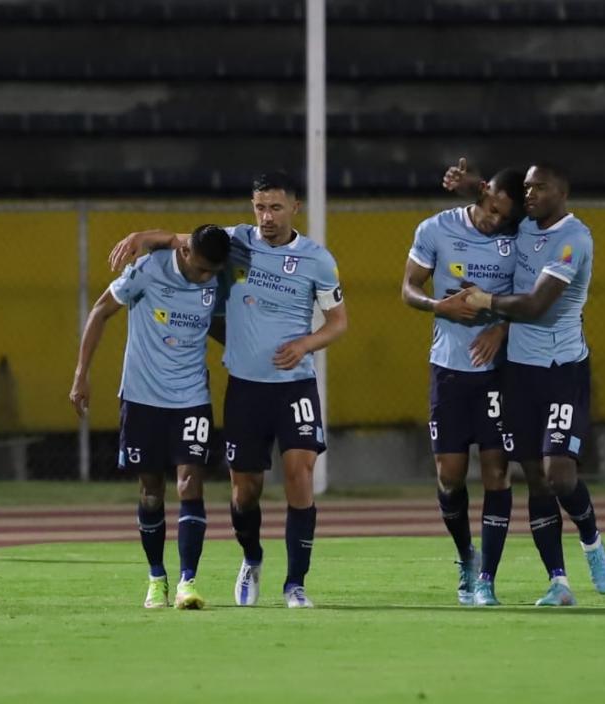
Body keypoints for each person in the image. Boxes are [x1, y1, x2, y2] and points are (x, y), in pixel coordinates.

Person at [109, 172, 348, 609]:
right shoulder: (237, 241)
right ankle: (252, 558)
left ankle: (295, 584)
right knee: (244, 491)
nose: (267, 216)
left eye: (275, 207)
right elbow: (180, 240)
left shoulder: (318, 259)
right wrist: (140, 236)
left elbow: (338, 322)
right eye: (259, 207)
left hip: (295, 386)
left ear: (295, 207)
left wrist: (305, 344)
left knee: (300, 476)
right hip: (246, 388)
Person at [448, 161, 605, 607]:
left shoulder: (574, 239)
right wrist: (473, 187)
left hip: (562, 369)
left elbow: (539, 304)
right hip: (519, 371)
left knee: (560, 474)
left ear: (562, 191)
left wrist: (485, 301)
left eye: (539, 187)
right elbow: (496, 202)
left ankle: (592, 541)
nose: (530, 195)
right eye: (526, 188)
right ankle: (559, 582)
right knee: (536, 480)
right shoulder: (523, 225)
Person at [71, 224, 230, 610]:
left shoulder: (214, 269)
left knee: (190, 482)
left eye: (214, 272)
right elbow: (100, 311)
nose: (208, 278)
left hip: (192, 396)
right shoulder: (148, 269)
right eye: (203, 269)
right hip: (143, 397)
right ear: (188, 254)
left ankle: (187, 583)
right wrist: (81, 374)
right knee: (151, 490)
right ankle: (156, 577)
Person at [401, 168, 525, 606]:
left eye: (504, 217)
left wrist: (501, 329)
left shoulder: (521, 239)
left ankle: (487, 578)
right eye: (491, 210)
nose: (495, 221)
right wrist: (441, 307)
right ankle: (466, 556)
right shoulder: (435, 229)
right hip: (449, 369)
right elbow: (408, 288)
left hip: (497, 372)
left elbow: (538, 298)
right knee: (449, 476)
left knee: (496, 471)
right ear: (483, 195)